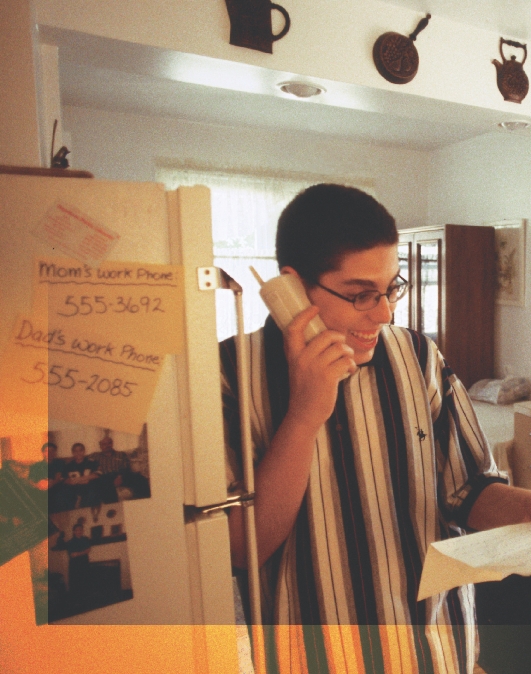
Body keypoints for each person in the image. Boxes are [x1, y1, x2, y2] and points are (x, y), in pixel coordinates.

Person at [220, 184, 531, 674]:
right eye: (361, 294)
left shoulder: (418, 356)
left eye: (393, 289)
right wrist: (303, 416)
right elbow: (244, 549)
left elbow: (467, 489)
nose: (385, 313)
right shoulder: (229, 372)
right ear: (293, 286)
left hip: (438, 649)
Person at [90, 436, 149, 503]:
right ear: (100, 445)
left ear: (112, 444)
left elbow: (125, 467)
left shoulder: (120, 454)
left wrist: (120, 477)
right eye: (104, 444)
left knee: (141, 479)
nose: (107, 445)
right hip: (105, 477)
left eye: (109, 443)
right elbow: (81, 459)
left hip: (121, 475)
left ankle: (145, 503)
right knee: (100, 484)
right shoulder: (95, 456)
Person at [56, 443, 100, 511]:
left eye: (80, 450)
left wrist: (80, 479)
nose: (78, 453)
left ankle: (85, 511)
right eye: (75, 451)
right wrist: (70, 481)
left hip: (88, 486)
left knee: (93, 491)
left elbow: (97, 474)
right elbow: (62, 479)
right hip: (74, 488)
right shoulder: (68, 465)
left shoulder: (91, 462)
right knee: (62, 493)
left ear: (84, 451)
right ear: (72, 453)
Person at [28, 442, 65, 513]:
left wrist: (51, 483)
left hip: (55, 486)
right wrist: (38, 485)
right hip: (40, 488)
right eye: (47, 451)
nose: (50, 453)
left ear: (55, 452)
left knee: (59, 494)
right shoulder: (36, 466)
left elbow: (58, 477)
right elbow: (30, 481)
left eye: (52, 451)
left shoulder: (59, 463)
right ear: (43, 453)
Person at [65, 522, 92, 611]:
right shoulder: (70, 542)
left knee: (85, 582)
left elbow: (88, 550)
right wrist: (83, 552)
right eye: (77, 530)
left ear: (82, 530)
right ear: (73, 531)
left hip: (84, 564)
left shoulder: (85, 539)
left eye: (80, 530)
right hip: (75, 565)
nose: (79, 531)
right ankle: (76, 603)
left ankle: (85, 601)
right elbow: (73, 555)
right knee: (75, 583)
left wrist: (79, 553)